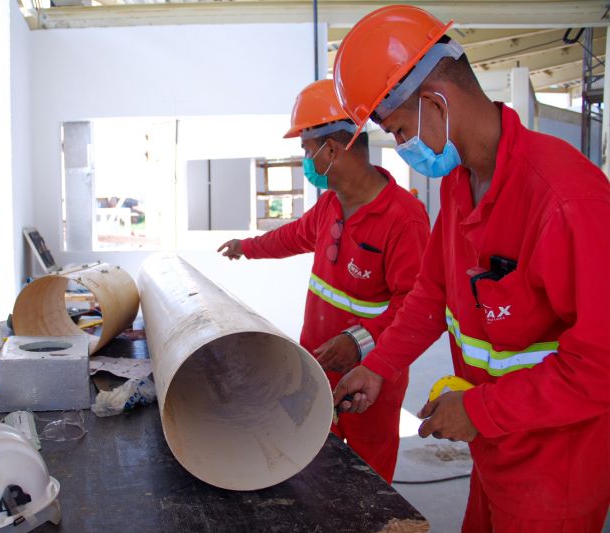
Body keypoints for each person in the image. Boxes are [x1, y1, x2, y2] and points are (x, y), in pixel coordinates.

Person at [331, 5, 610, 531]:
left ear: (436, 102)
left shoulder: (564, 200)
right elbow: (432, 297)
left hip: (555, 472)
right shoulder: (460, 187)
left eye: (397, 130)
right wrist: (378, 365)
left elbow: (601, 365)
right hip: (496, 451)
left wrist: (478, 411)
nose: (401, 148)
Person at [218, 79, 430, 483]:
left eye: (307, 151)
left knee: (368, 479)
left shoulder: (404, 219)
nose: (306, 161)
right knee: (316, 465)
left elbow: (417, 306)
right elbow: (293, 235)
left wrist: (360, 343)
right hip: (317, 370)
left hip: (372, 378)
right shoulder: (331, 205)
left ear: (331, 151)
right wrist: (247, 246)